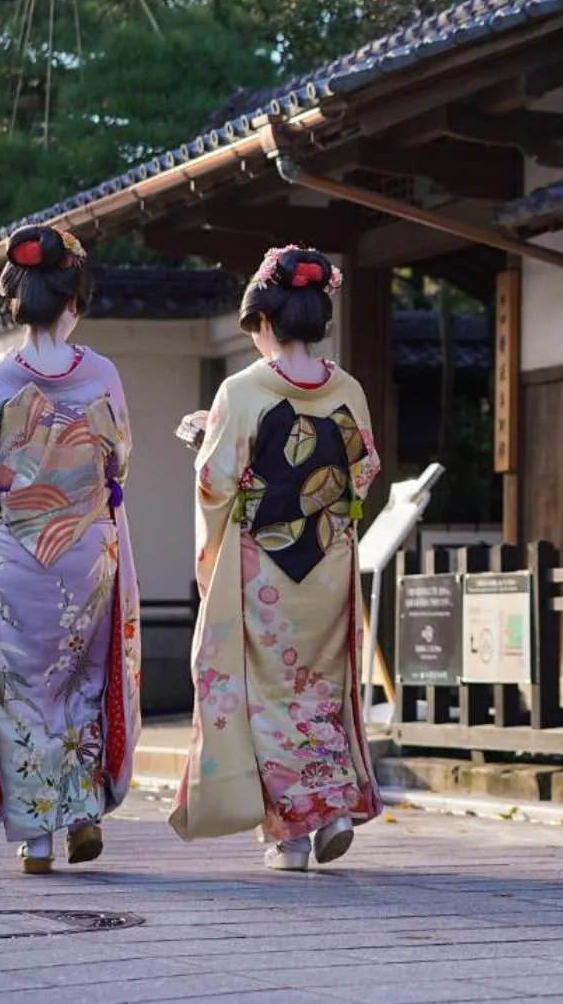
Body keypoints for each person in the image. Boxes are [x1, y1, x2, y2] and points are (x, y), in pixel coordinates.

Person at [0, 225, 140, 874]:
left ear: (15, 298)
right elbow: (120, 461)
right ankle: (81, 810)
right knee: (81, 681)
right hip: (86, 554)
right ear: (74, 299)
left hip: (19, 559)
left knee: (20, 691)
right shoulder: (101, 373)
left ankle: (38, 837)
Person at [172, 244, 382, 870]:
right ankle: (334, 806)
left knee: (266, 691)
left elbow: (217, 482)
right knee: (320, 687)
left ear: (264, 321)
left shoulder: (243, 390)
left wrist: (202, 442)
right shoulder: (347, 389)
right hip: (328, 562)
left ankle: (290, 835)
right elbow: (362, 473)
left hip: (263, 564)